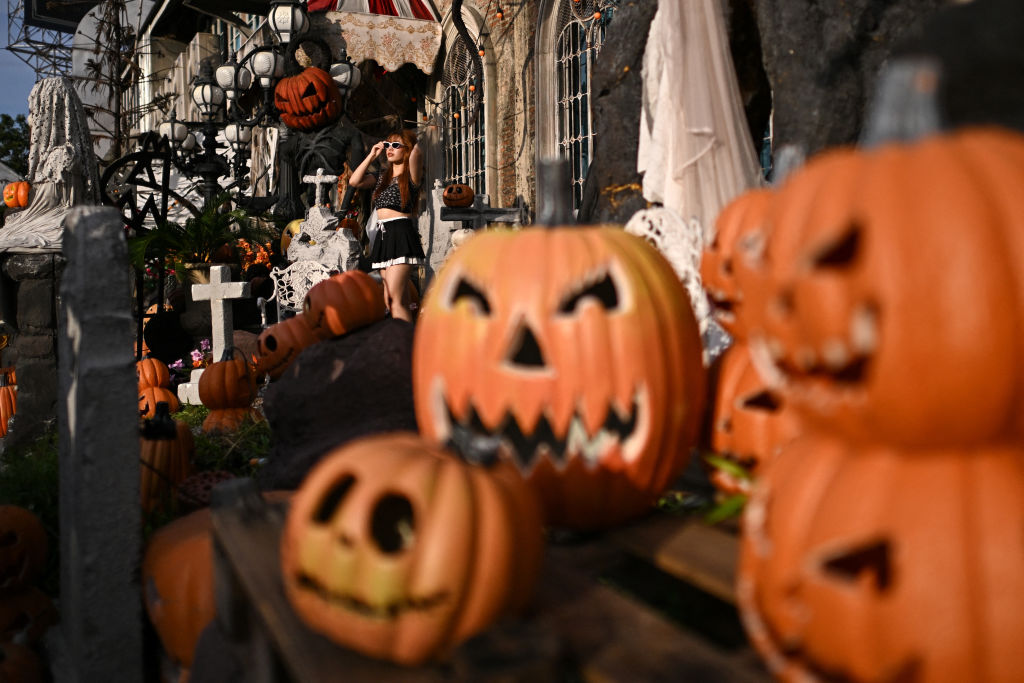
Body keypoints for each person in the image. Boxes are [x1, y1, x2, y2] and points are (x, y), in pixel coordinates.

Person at [348, 129, 425, 321]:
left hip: (400, 233)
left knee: (394, 300)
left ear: (406, 150)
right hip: (383, 236)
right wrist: (372, 155)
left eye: (396, 145)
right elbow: (354, 181)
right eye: (388, 144)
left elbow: (417, 152)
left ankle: (402, 343)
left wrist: (421, 132)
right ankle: (407, 342)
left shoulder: (411, 176)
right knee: (396, 300)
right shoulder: (382, 176)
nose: (390, 149)